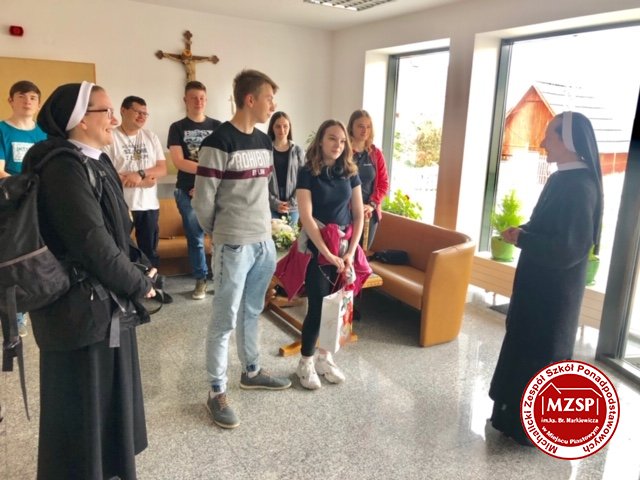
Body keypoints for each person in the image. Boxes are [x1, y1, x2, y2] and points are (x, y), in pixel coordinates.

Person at [23, 81, 156, 479]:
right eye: (106, 111)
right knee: (83, 404)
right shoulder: (62, 167)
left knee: (108, 399)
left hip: (105, 302)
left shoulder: (95, 161)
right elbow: (90, 242)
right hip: (78, 311)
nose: (114, 119)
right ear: (81, 120)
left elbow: (117, 232)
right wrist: (137, 284)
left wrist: (140, 264)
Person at [488, 111, 604, 446]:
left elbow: (569, 248)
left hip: (553, 298)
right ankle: (509, 418)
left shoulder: (581, 187)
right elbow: (545, 225)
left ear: (568, 141)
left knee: (540, 358)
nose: (543, 143)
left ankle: (530, 431)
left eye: (549, 136)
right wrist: (522, 230)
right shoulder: (560, 179)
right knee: (521, 351)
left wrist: (524, 239)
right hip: (536, 290)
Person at [194, 69, 291, 429]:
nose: (273, 106)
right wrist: (217, 233)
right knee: (224, 319)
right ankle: (216, 391)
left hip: (263, 241)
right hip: (233, 243)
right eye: (268, 98)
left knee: (252, 310)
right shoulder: (218, 142)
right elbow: (204, 201)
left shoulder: (264, 142)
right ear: (250, 100)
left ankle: (251, 371)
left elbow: (261, 191)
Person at [294, 119, 365, 390]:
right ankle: (305, 362)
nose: (338, 145)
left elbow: (358, 215)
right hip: (318, 246)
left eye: (342, 140)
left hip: (345, 247)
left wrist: (350, 253)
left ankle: (325, 358)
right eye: (332, 139)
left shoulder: (350, 171)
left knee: (338, 306)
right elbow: (306, 216)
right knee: (317, 307)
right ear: (321, 141)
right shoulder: (307, 172)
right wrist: (326, 252)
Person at [0, 80, 47, 337]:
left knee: (37, 256)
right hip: (11, 205)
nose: (27, 101)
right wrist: (26, 187)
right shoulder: (2, 130)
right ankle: (15, 314)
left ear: (38, 103)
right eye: (21, 96)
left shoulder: (43, 134)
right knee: (14, 258)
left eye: (32, 97)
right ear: (11, 100)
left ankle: (38, 304)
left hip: (39, 205)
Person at [167, 80, 221, 299]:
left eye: (202, 98)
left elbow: (222, 162)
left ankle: (221, 278)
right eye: (194, 98)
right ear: (185, 100)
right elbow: (179, 161)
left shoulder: (218, 126)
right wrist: (204, 176)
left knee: (219, 238)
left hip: (214, 192)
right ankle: (201, 279)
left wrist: (205, 186)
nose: (198, 102)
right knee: (196, 239)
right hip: (186, 191)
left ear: (206, 100)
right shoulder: (177, 127)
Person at [104, 95, 167, 272]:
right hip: (121, 205)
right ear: (123, 111)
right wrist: (143, 182)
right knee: (121, 249)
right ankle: (127, 284)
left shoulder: (150, 137)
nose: (142, 116)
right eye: (138, 112)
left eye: (145, 114)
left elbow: (162, 169)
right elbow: (107, 173)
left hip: (148, 205)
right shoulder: (111, 136)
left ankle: (152, 283)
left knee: (150, 251)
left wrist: (139, 175)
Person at [347, 109, 389, 249]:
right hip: (345, 212)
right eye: (360, 126)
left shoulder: (376, 153)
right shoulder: (343, 152)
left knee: (361, 255)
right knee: (343, 252)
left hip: (369, 213)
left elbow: (383, 183)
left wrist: (372, 204)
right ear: (351, 127)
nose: (365, 130)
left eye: (368, 127)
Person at [267, 111, 305, 226]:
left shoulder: (298, 151)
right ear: (272, 128)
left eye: (285, 126)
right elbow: (261, 181)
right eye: (278, 126)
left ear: (289, 128)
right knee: (273, 235)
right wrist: (275, 203)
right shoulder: (266, 150)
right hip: (271, 204)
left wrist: (291, 202)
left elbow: (304, 180)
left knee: (291, 235)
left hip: (292, 206)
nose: (282, 130)